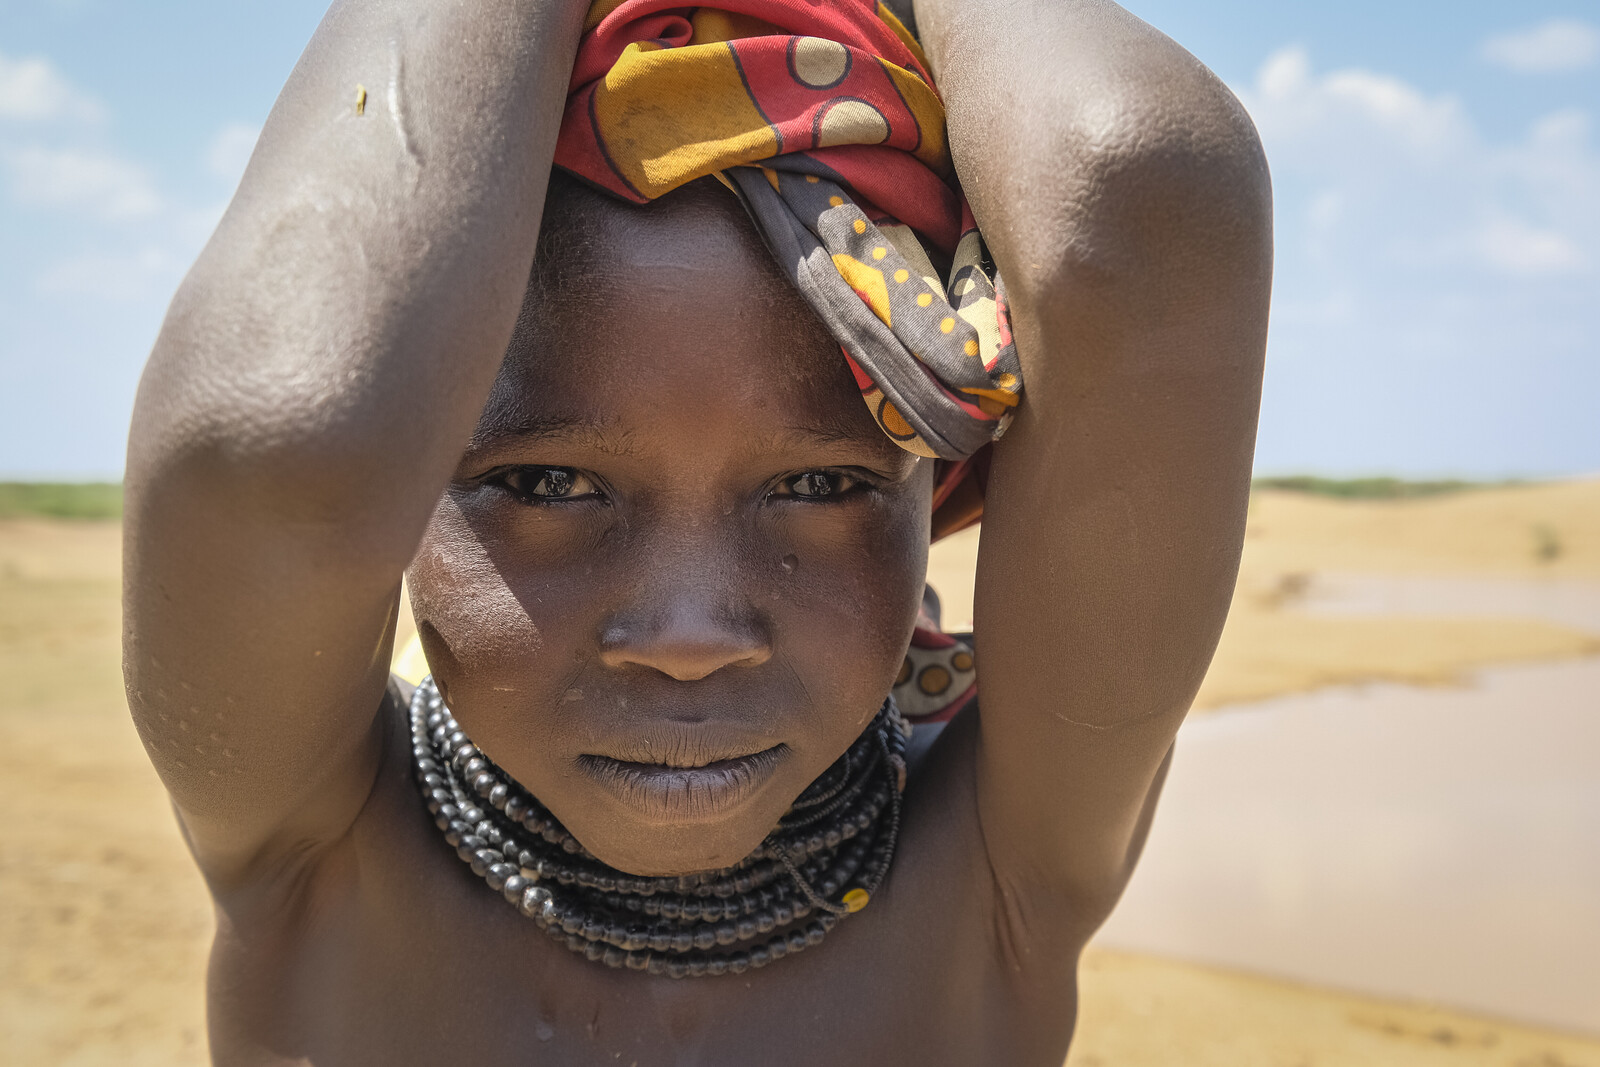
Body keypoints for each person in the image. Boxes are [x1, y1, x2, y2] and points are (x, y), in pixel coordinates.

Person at [122, 0, 1271, 1062]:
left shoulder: (995, 877)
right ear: (405, 489)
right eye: (551, 482)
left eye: (820, 487)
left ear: (941, 494)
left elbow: (1140, 195)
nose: (687, 636)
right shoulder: (322, 854)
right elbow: (285, 428)